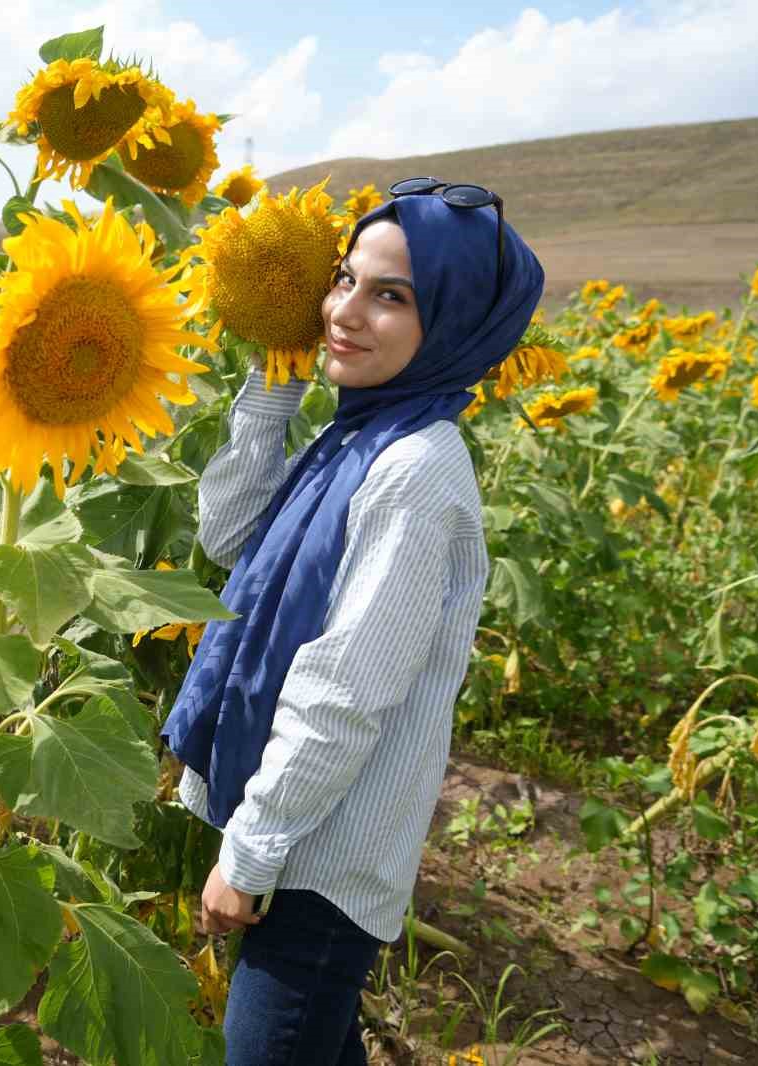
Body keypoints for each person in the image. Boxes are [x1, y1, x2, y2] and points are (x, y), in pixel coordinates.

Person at [160, 180, 545, 1065]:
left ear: (453, 325)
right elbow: (229, 540)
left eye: (391, 296)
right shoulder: (360, 435)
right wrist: (271, 384)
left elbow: (344, 695)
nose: (344, 310)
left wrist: (250, 854)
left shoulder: (413, 470)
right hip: (299, 829)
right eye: (344, 279)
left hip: (321, 862)